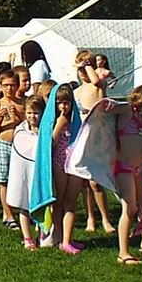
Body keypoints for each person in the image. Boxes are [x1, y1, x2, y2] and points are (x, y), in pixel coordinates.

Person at [110, 84, 142, 265]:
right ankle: (123, 253)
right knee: (129, 208)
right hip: (123, 168)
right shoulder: (127, 111)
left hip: (138, 169)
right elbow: (109, 108)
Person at [72, 51, 117, 235]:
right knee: (85, 182)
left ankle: (105, 218)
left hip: (98, 136)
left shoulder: (99, 84)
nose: (83, 72)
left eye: (87, 68)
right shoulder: (77, 91)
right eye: (80, 69)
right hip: (82, 137)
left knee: (96, 182)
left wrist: (88, 65)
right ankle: (90, 216)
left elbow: (97, 81)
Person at [49, 83, 86, 254]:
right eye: (59, 103)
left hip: (74, 165)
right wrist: (60, 123)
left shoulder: (76, 122)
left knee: (71, 203)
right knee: (59, 201)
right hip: (59, 165)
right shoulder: (53, 121)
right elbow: (49, 143)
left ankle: (67, 239)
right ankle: (58, 236)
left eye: (67, 103)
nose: (63, 106)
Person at [8, 96, 46, 249]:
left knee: (43, 205)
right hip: (24, 174)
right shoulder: (21, 131)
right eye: (29, 113)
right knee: (24, 206)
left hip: (39, 174)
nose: (32, 116)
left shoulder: (46, 130)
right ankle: (27, 237)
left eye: (36, 113)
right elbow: (21, 152)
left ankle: (43, 235)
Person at [0, 70, 26, 230]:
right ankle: (9, 214)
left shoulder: (23, 103)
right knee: (3, 180)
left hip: (20, 145)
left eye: (12, 85)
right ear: (0, 86)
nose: (9, 89)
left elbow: (27, 123)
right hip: (3, 143)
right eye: (5, 85)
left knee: (20, 179)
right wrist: (0, 116)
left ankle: (23, 211)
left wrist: (16, 115)